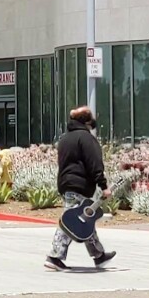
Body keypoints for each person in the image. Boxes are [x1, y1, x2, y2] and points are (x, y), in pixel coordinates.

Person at [45, 106, 116, 271]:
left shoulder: (65, 138)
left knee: (83, 218)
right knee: (72, 220)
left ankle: (98, 255)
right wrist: (103, 186)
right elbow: (95, 164)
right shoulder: (86, 139)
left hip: (66, 183)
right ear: (87, 122)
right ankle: (54, 256)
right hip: (80, 184)